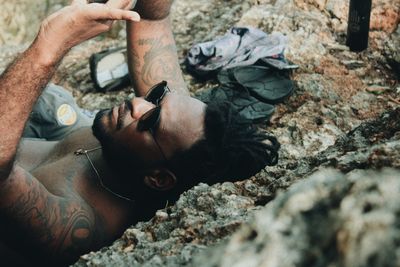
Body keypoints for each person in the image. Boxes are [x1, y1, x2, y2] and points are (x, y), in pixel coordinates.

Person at [0, 0, 280, 265]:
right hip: (53, 135)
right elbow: (152, 18)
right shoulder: (165, 133)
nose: (137, 103)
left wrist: (50, 46)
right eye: (157, 97)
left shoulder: (80, 225)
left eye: (150, 120)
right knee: (51, 102)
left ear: (158, 179)